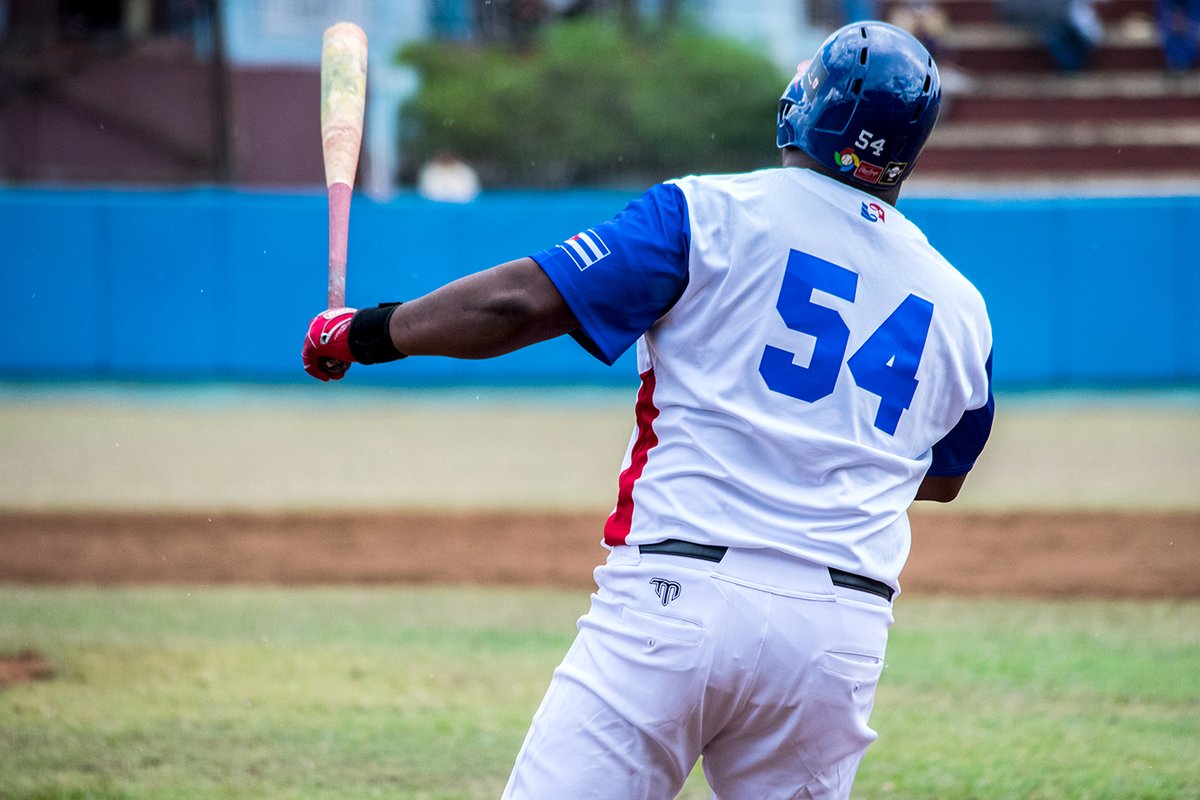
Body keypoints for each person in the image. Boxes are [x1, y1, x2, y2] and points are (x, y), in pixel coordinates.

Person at [303, 21, 994, 800]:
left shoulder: (708, 213)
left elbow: (516, 306)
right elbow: (940, 477)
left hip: (678, 598)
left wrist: (361, 333)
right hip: (839, 637)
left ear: (814, 108)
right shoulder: (961, 306)